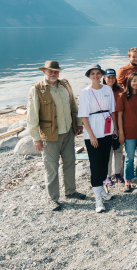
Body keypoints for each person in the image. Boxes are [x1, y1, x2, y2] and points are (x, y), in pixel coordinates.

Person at [26, 61, 86, 211]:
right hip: (49, 136)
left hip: (68, 132)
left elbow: (73, 104)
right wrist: (35, 137)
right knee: (51, 167)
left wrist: (78, 123)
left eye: (56, 72)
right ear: (44, 72)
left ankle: (71, 191)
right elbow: (32, 115)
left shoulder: (65, 85)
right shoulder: (37, 89)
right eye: (50, 71)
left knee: (70, 162)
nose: (53, 74)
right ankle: (53, 199)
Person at [78, 64, 116, 213]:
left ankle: (102, 190)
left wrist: (115, 128)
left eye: (98, 73)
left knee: (104, 161)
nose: (96, 76)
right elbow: (83, 116)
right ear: (89, 76)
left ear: (102, 75)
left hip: (106, 131)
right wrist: (91, 135)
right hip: (93, 133)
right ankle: (97, 198)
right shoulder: (85, 92)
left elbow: (112, 110)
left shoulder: (107, 89)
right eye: (93, 74)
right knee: (95, 164)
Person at [116, 72, 137, 192]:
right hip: (129, 133)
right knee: (129, 157)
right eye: (133, 80)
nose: (136, 83)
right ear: (129, 82)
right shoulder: (123, 96)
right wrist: (121, 133)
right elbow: (119, 116)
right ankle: (127, 180)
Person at [103, 69, 124, 187]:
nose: (110, 79)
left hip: (119, 123)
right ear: (104, 78)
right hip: (105, 125)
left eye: (113, 77)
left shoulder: (120, 90)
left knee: (119, 149)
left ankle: (117, 173)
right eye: (108, 77)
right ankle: (107, 175)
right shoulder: (101, 90)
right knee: (108, 151)